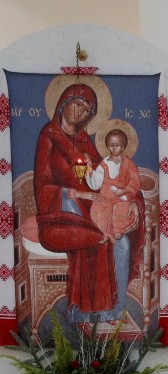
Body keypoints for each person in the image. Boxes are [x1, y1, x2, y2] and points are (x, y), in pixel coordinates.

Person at [33, 83, 112, 315]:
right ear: (64, 104)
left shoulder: (85, 140)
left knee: (116, 241)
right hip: (57, 214)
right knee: (97, 240)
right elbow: (43, 183)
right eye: (78, 104)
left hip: (86, 208)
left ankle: (104, 310)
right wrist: (75, 193)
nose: (80, 112)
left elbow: (100, 175)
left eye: (87, 110)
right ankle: (85, 312)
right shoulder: (49, 136)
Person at [86, 126, 146, 323]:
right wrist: (88, 169)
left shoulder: (129, 165)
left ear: (124, 146)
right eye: (111, 145)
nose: (114, 149)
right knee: (102, 259)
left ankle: (117, 310)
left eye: (118, 145)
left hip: (120, 209)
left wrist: (126, 195)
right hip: (102, 211)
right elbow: (94, 184)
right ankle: (101, 312)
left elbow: (135, 186)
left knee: (122, 251)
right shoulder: (103, 165)